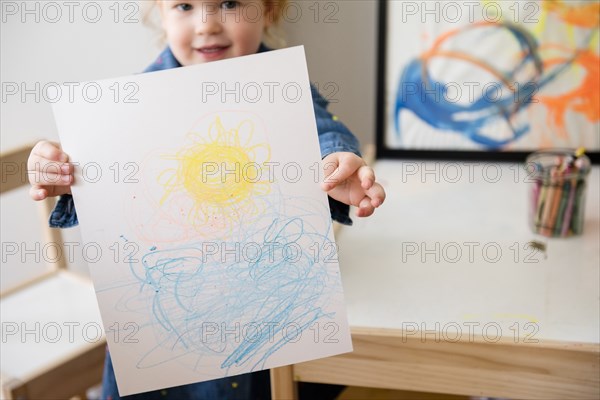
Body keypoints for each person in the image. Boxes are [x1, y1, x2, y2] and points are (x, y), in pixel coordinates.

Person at [27, 1, 385, 398]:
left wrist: (336, 165)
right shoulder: (128, 102)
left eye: (229, 3)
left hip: (261, 309)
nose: (206, 24)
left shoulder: (281, 86)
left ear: (269, 10)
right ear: (161, 14)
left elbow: (325, 135)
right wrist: (64, 175)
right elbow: (104, 185)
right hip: (165, 316)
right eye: (184, 5)